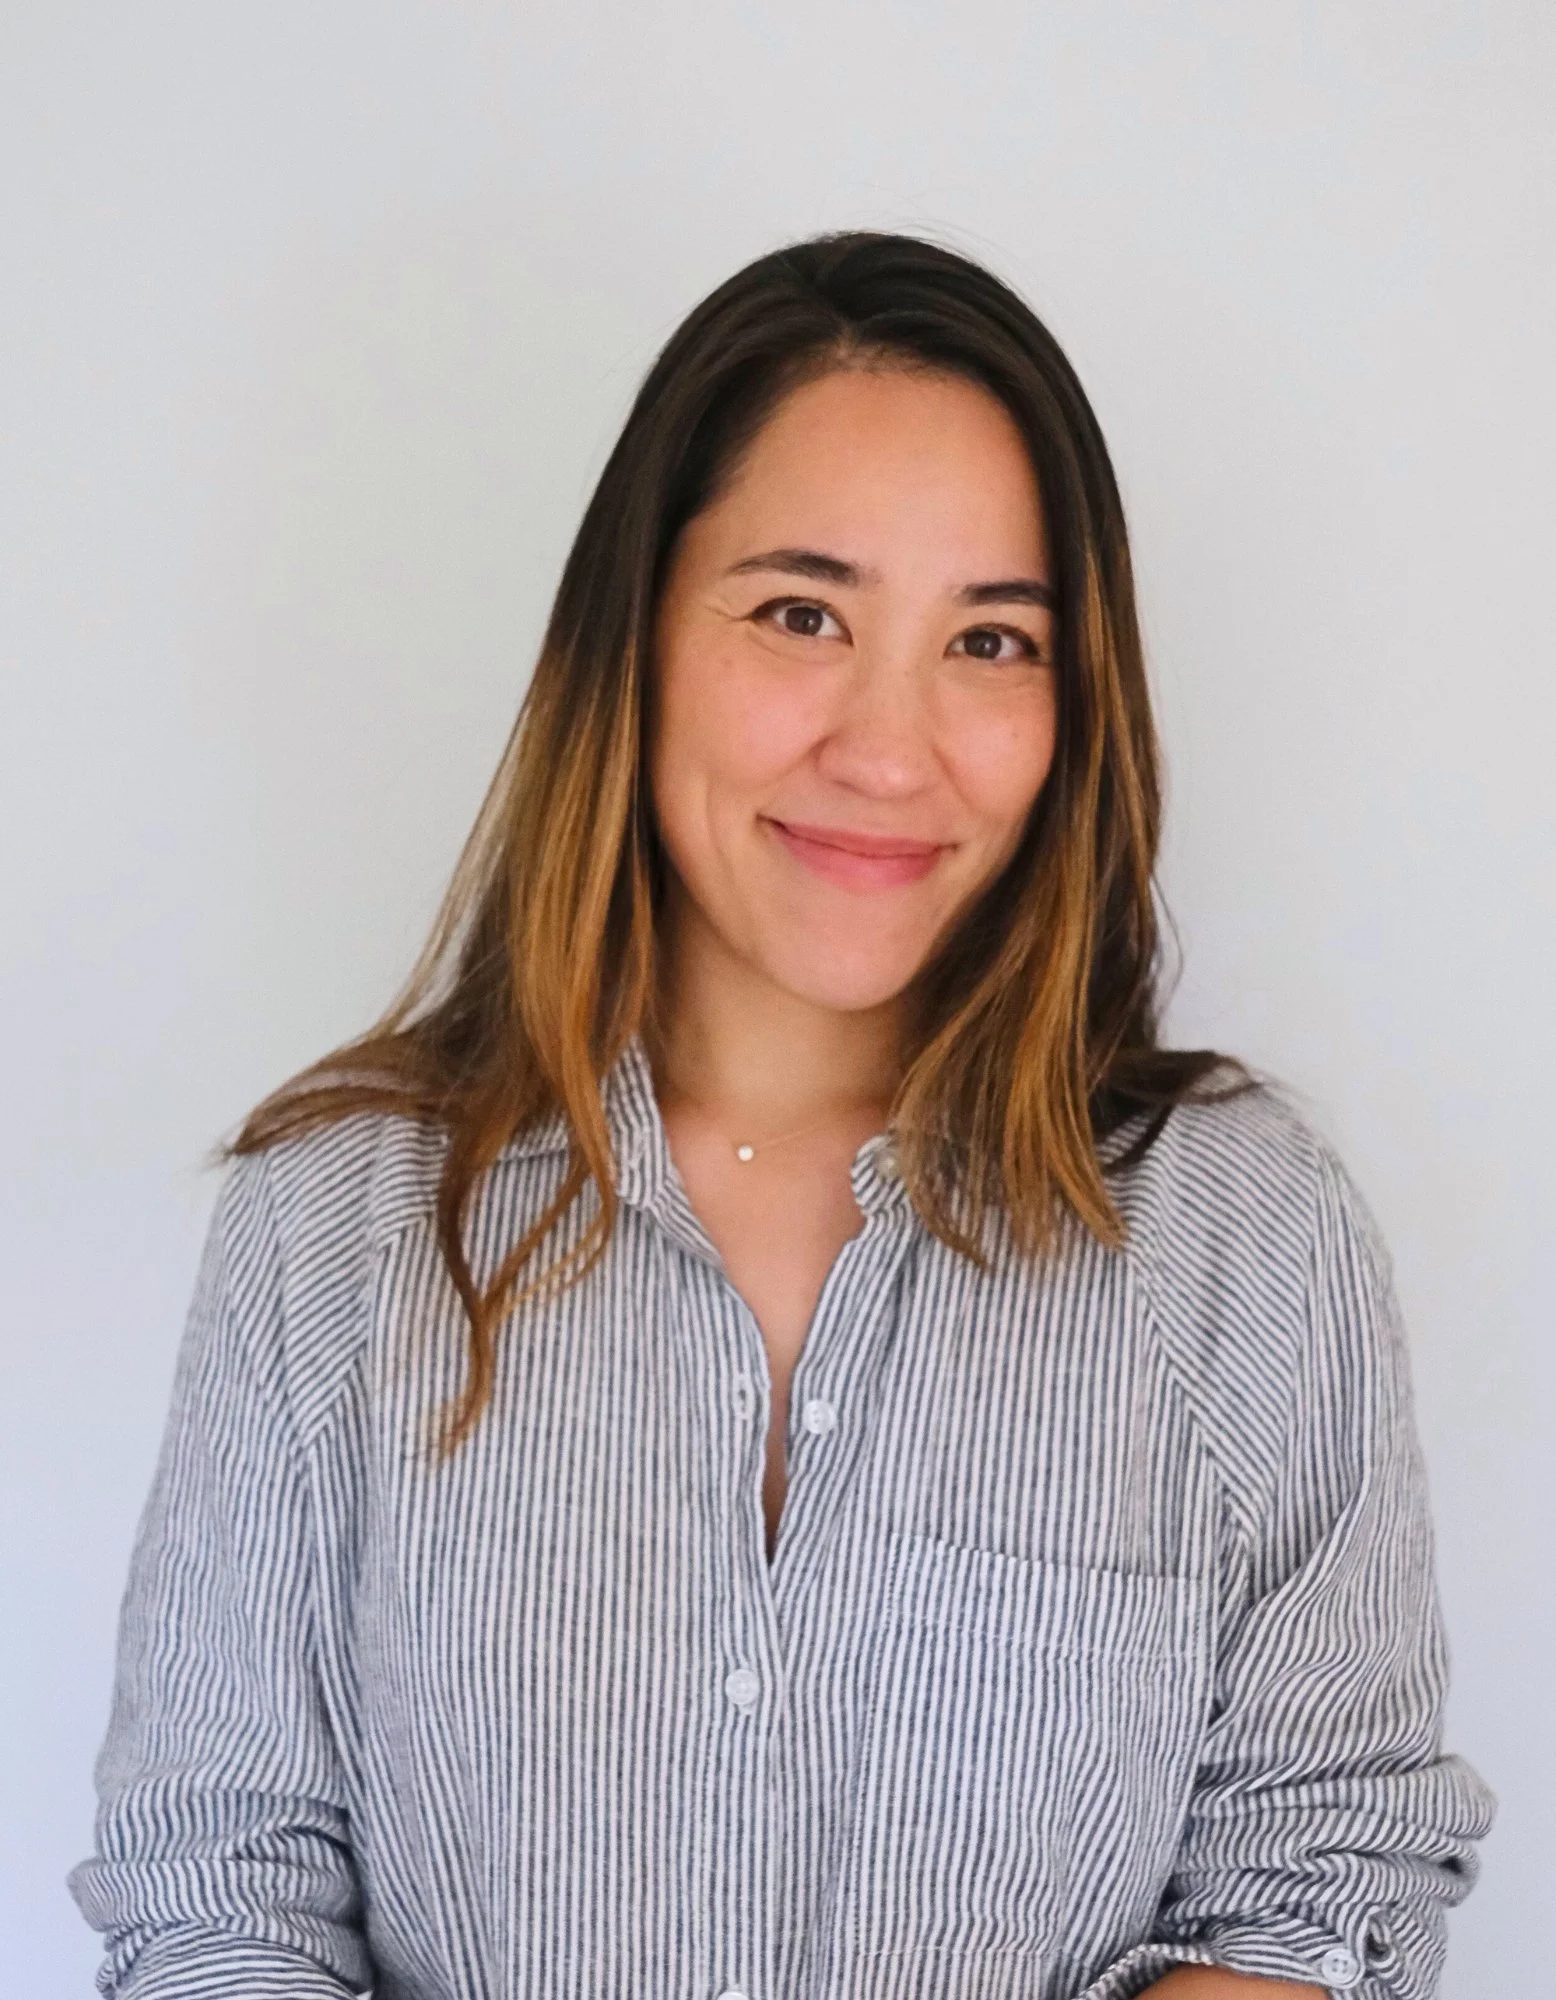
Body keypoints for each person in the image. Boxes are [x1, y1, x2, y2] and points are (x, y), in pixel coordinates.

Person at [71, 231, 1492, 2000]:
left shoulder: (1243, 1237)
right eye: (802, 614)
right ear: (636, 637)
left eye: (991, 639)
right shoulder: (331, 1226)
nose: (892, 752)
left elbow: (1320, 1874)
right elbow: (221, 1905)